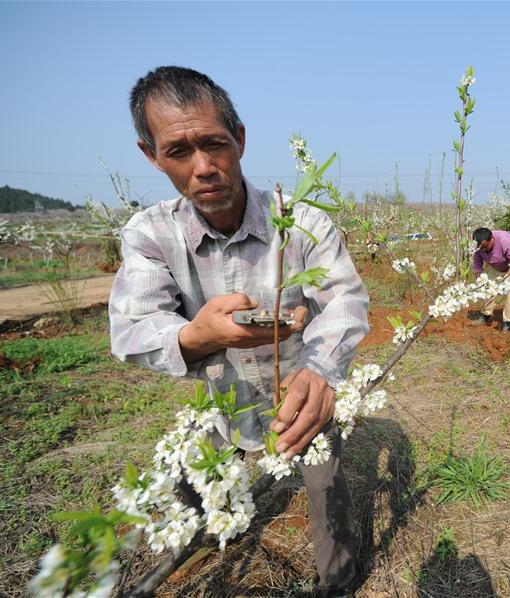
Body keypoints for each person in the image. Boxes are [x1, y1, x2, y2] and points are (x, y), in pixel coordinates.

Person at [108, 66, 368, 594]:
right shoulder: (151, 234)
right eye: (178, 151)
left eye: (215, 144)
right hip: (219, 399)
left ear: (241, 140)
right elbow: (132, 328)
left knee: (324, 479)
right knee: (194, 478)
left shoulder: (302, 224)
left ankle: (338, 580)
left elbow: (345, 298)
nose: (203, 167)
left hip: (299, 393)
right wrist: (197, 336)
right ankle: (195, 542)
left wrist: (319, 370)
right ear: (151, 155)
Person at [471, 227, 510, 332]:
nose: (484, 250)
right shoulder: (478, 247)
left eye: (485, 247)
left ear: (491, 239)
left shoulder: (505, 240)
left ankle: (508, 322)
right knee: (488, 288)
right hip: (495, 267)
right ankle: (486, 315)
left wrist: (506, 278)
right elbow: (477, 263)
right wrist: (479, 277)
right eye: (481, 248)